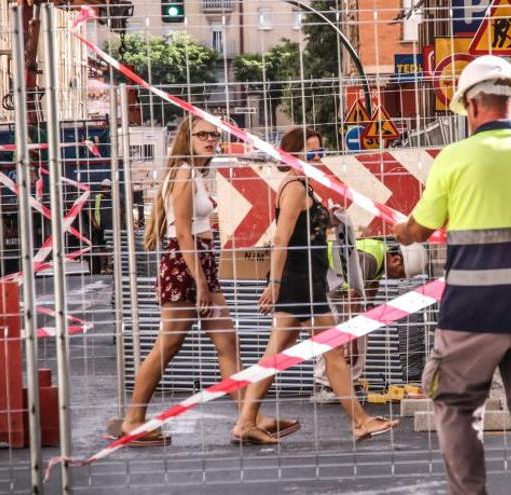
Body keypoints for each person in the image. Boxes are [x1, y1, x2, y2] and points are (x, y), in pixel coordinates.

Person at [393, 55, 511, 495]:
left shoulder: (455, 158)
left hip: (474, 313)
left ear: (472, 106)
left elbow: (419, 229)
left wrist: (401, 229)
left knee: (456, 405)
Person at [109, 116, 293, 445]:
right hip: (185, 267)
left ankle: (249, 418)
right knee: (168, 345)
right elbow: (181, 233)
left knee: (227, 342)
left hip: (201, 265)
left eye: (214, 135)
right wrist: (202, 283)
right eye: (203, 135)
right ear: (187, 137)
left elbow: (197, 227)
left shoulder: (195, 173)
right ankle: (133, 419)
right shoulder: (183, 172)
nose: (210, 140)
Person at [232, 127, 399, 444]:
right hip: (300, 280)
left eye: (319, 150)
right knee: (332, 352)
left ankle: (245, 423)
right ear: (292, 153)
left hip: (305, 278)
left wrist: (331, 218)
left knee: (276, 357)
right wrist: (275, 283)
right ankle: (360, 421)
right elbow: (281, 238)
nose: (317, 156)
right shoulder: (295, 186)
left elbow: (305, 230)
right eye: (310, 151)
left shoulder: (304, 185)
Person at [311, 236, 428, 403]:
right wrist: (351, 347)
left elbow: (372, 282)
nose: (400, 278)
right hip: (321, 278)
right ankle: (324, 384)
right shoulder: (369, 258)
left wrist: (370, 305)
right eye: (402, 273)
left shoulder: (380, 256)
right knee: (332, 329)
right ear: (396, 259)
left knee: (360, 326)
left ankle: (350, 380)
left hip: (338, 285)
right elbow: (352, 301)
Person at [87, 179, 113, 274]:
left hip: (111, 227)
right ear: (101, 188)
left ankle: (109, 266)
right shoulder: (97, 198)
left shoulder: (113, 197)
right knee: (102, 247)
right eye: (104, 187)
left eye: (108, 187)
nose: (106, 189)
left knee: (110, 247)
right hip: (100, 227)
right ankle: (103, 266)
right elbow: (89, 210)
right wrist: (94, 222)